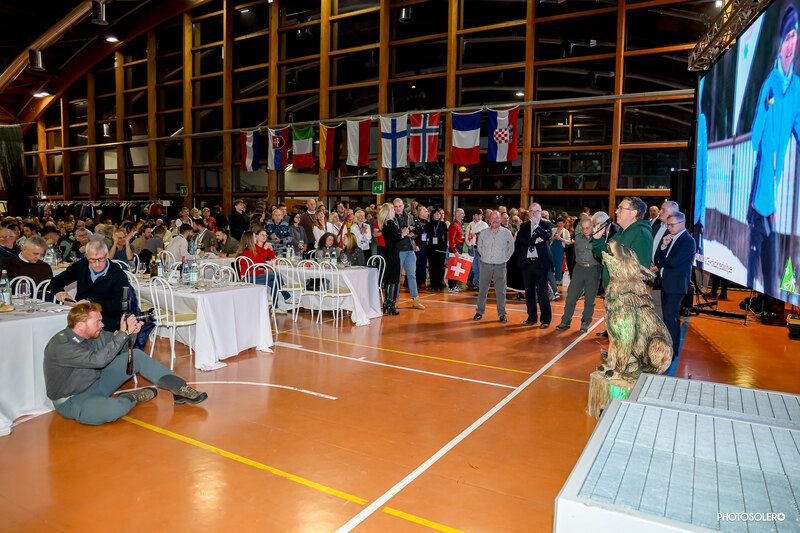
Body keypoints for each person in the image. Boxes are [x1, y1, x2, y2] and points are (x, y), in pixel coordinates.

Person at [43, 303, 207, 426]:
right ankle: (129, 398)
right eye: (97, 322)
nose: (102, 325)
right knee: (113, 411)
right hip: (72, 400)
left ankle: (179, 389)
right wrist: (122, 333)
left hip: (97, 382)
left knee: (136, 355)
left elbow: (122, 349)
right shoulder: (61, 345)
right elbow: (97, 360)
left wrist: (131, 334)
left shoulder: (96, 334)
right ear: (80, 326)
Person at [748, 4, 800, 295]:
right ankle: (763, 296)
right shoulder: (770, 84)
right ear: (781, 42)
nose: (792, 43)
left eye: (795, 36)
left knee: (783, 255)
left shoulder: (796, 87)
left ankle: (781, 297)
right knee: (763, 256)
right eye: (788, 36)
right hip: (764, 190)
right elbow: (756, 137)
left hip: (784, 189)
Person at [592, 197, 654, 336]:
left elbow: (638, 269)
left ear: (634, 212)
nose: (616, 211)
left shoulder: (641, 234)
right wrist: (597, 240)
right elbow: (606, 253)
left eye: (621, 208)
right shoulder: (621, 233)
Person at [50, 241, 129, 332]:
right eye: (92, 260)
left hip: (104, 320)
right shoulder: (81, 266)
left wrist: (91, 304)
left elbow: (119, 304)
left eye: (101, 259)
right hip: (80, 316)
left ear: (107, 255)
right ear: (87, 256)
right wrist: (58, 291)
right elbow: (56, 280)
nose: (97, 264)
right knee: (55, 327)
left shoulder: (118, 274)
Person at [654, 212, 696, 358]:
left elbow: (672, 262)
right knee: (667, 317)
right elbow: (658, 258)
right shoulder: (672, 238)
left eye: (672, 225)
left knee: (671, 318)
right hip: (667, 283)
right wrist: (664, 245)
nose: (669, 228)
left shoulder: (687, 241)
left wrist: (660, 265)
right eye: (668, 225)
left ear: (682, 223)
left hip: (676, 285)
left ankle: (672, 350)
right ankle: (668, 347)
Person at [556, 218, 602, 334]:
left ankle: (585, 323)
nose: (585, 230)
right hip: (579, 269)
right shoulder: (577, 238)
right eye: (583, 228)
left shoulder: (599, 238)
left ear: (592, 227)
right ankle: (565, 321)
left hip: (593, 270)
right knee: (571, 297)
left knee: (589, 300)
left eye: (587, 228)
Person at [472, 212, 514, 323]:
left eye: (497, 217)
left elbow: (511, 248)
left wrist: (504, 258)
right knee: (483, 290)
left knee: (501, 291)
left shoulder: (506, 233)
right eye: (493, 218)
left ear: (500, 219)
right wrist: (485, 256)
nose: (495, 219)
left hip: (500, 265)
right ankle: (479, 312)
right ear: (489, 220)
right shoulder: (484, 233)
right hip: (486, 264)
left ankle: (502, 314)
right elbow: (480, 247)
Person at [516, 203, 554, 328]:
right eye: (532, 211)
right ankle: (531, 317)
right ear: (529, 212)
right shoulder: (524, 226)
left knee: (543, 292)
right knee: (529, 292)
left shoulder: (546, 224)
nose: (534, 213)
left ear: (541, 212)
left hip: (541, 264)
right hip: (527, 263)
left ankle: (545, 320)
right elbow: (521, 240)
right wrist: (536, 240)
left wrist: (536, 226)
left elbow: (547, 236)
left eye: (537, 211)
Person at [649, 201, 679, 320]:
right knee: (656, 306)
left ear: (673, 213)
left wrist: (659, 267)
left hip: (667, 275)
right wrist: (650, 263)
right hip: (653, 273)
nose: (660, 212)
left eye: (663, 210)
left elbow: (674, 256)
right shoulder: (656, 228)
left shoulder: (676, 232)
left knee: (666, 310)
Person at [393, 198, 424, 309]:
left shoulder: (409, 217)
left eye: (400, 206)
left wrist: (413, 234)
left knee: (411, 275)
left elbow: (417, 231)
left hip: (410, 250)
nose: (398, 208)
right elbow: (392, 234)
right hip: (398, 250)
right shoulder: (391, 218)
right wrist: (402, 232)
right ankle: (395, 299)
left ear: (403, 206)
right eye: (395, 206)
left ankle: (415, 300)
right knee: (396, 277)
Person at [378, 203, 408, 315]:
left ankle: (387, 302)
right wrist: (404, 233)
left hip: (388, 252)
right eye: (393, 209)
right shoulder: (390, 222)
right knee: (394, 279)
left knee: (390, 278)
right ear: (389, 211)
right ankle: (390, 304)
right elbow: (397, 237)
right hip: (393, 253)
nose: (395, 211)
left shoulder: (385, 223)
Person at [466, 210, 488, 291]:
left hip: (481, 248)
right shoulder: (470, 225)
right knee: (474, 267)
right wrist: (469, 244)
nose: (479, 217)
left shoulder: (484, 225)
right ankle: (477, 283)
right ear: (473, 216)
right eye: (477, 215)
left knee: (480, 267)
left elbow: (486, 236)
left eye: (480, 215)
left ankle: (480, 284)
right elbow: (467, 236)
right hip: (472, 248)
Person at [550, 216, 571, 300]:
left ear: (564, 224)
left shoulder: (566, 231)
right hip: (552, 251)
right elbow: (549, 239)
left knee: (558, 269)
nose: (559, 225)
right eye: (558, 223)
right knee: (551, 268)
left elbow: (569, 242)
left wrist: (561, 239)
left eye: (561, 223)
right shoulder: (553, 230)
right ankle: (551, 289)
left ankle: (555, 289)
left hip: (560, 252)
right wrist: (554, 238)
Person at [426, 208, 448, 290]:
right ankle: (433, 283)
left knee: (440, 266)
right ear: (432, 215)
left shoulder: (443, 224)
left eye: (439, 213)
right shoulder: (429, 224)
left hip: (441, 248)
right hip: (431, 248)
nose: (438, 215)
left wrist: (444, 248)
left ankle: (440, 282)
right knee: (432, 266)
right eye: (436, 213)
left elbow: (446, 237)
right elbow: (426, 235)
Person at [447, 208, 466, 292]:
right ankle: (451, 286)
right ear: (457, 214)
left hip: (459, 247)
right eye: (462, 213)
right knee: (453, 267)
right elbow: (451, 239)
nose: (464, 215)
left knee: (457, 267)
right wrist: (455, 250)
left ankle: (454, 285)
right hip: (456, 248)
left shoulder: (460, 224)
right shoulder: (454, 225)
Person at [412, 206, 429, 289]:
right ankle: (414, 282)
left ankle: (422, 281)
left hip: (424, 245)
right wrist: (416, 245)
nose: (427, 213)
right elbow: (413, 234)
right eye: (426, 211)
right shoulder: (415, 221)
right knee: (416, 264)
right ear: (421, 212)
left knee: (423, 264)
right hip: (417, 245)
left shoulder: (427, 222)